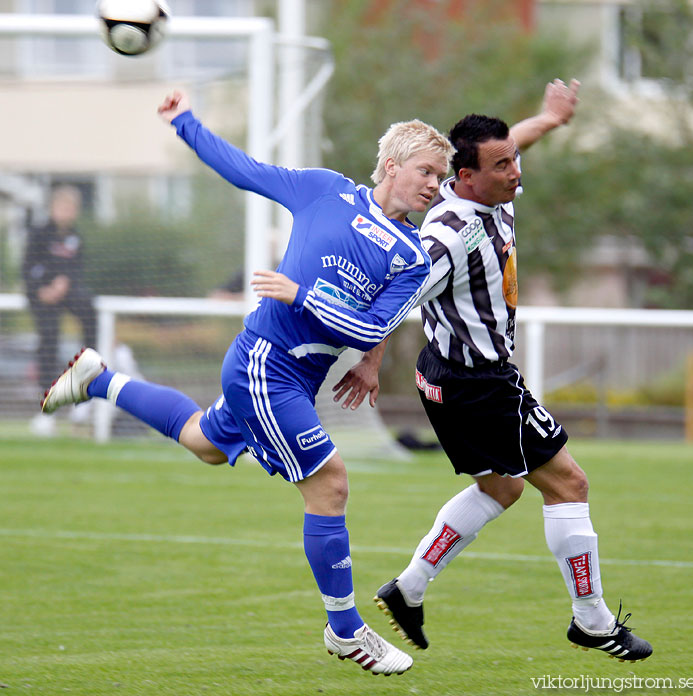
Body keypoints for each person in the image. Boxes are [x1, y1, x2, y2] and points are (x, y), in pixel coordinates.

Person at [40, 89, 455, 675]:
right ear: (392, 166)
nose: (435, 185)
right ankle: (345, 630)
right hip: (266, 360)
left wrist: (341, 330)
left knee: (203, 443)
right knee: (330, 483)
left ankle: (99, 379)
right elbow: (246, 171)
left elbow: (371, 323)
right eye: (427, 171)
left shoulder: (413, 254)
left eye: (441, 176)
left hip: (296, 376)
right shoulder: (323, 188)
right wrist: (185, 123)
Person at [336, 79, 653, 663]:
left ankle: (408, 589)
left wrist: (550, 119)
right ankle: (593, 621)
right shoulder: (450, 232)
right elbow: (399, 293)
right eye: (503, 164)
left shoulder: (493, 188)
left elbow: (511, 144)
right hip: (477, 383)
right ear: (464, 179)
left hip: (447, 378)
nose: (515, 170)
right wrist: (370, 362)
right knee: (570, 484)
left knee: (501, 486)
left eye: (514, 158)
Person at [22, 185, 97, 436]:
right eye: (62, 206)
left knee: (90, 315)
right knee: (49, 338)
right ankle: (45, 408)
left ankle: (85, 389)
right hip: (42, 298)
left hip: (68, 295)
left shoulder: (76, 237)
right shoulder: (38, 234)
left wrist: (65, 283)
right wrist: (43, 289)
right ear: (53, 208)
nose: (66, 212)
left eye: (71, 208)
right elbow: (28, 268)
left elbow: (77, 270)